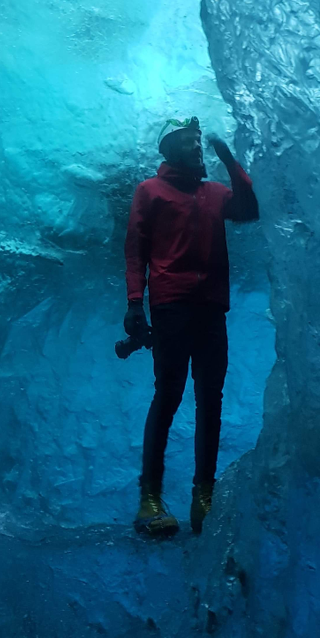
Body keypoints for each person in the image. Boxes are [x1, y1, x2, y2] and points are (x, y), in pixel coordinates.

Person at [123, 116, 259, 538]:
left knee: (210, 401)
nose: (196, 148)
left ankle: (204, 496)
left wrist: (225, 153)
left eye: (198, 142)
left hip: (210, 309)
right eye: (189, 142)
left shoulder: (213, 193)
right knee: (168, 396)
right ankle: (150, 498)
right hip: (171, 306)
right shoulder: (150, 190)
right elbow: (135, 250)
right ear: (167, 149)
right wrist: (134, 304)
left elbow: (250, 207)